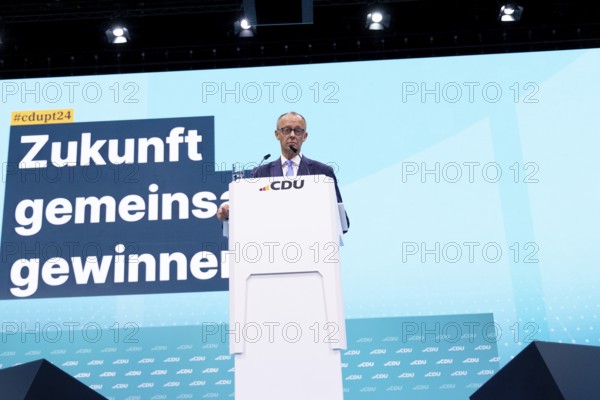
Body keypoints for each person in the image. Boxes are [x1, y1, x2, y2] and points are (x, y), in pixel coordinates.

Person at [216, 111, 349, 232]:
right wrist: (229, 213)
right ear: (277, 134)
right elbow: (247, 214)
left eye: (297, 131)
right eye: (286, 130)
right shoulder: (261, 173)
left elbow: (342, 222)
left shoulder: (322, 172)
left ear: (305, 136)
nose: (292, 135)